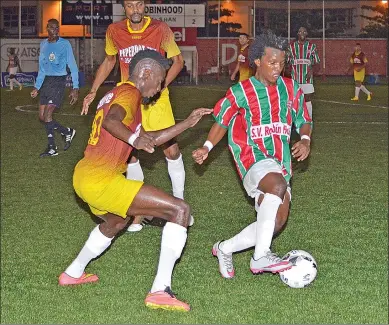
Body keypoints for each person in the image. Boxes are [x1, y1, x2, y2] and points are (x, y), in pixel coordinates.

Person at [59, 49, 212, 311]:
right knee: (180, 210)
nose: (161, 87)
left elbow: (149, 137)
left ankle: (72, 272)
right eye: (161, 80)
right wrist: (133, 139)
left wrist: (186, 123)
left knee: (117, 221)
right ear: (147, 73)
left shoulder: (118, 94)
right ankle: (160, 290)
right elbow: (111, 122)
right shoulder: (130, 93)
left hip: (84, 175)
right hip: (101, 179)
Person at [192, 31, 312, 279]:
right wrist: (206, 147)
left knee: (275, 222)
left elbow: (304, 119)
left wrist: (305, 139)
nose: (278, 68)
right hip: (251, 156)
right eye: (272, 62)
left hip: (281, 161)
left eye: (281, 62)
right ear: (257, 60)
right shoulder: (241, 91)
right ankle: (260, 257)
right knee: (276, 184)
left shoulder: (291, 88)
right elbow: (222, 121)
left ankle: (225, 248)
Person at [81, 0, 189, 232]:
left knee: (171, 150)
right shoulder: (114, 31)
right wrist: (92, 90)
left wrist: (159, 88)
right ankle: (137, 214)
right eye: (130, 6)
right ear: (124, 8)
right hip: (129, 100)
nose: (135, 10)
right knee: (128, 156)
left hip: (156, 98)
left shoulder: (160, 29)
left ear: (145, 6)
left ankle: (179, 202)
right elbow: (110, 61)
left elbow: (178, 62)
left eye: (139, 4)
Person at [30, 19, 78, 157]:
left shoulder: (65, 44)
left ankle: (52, 148)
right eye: (52, 28)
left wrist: (75, 88)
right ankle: (67, 132)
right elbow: (42, 69)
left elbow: (73, 67)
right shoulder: (43, 44)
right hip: (46, 82)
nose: (55, 30)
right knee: (42, 117)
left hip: (58, 82)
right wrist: (37, 87)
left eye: (57, 28)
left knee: (47, 115)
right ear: (47, 28)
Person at [287, 27, 320, 119]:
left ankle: (309, 118)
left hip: (307, 78)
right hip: (295, 78)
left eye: (304, 31)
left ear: (307, 33)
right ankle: (295, 118)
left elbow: (317, 62)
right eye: (300, 31)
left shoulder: (311, 46)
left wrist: (311, 71)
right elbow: (287, 62)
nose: (302, 33)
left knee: (307, 98)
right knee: (295, 98)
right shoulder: (291, 47)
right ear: (297, 33)